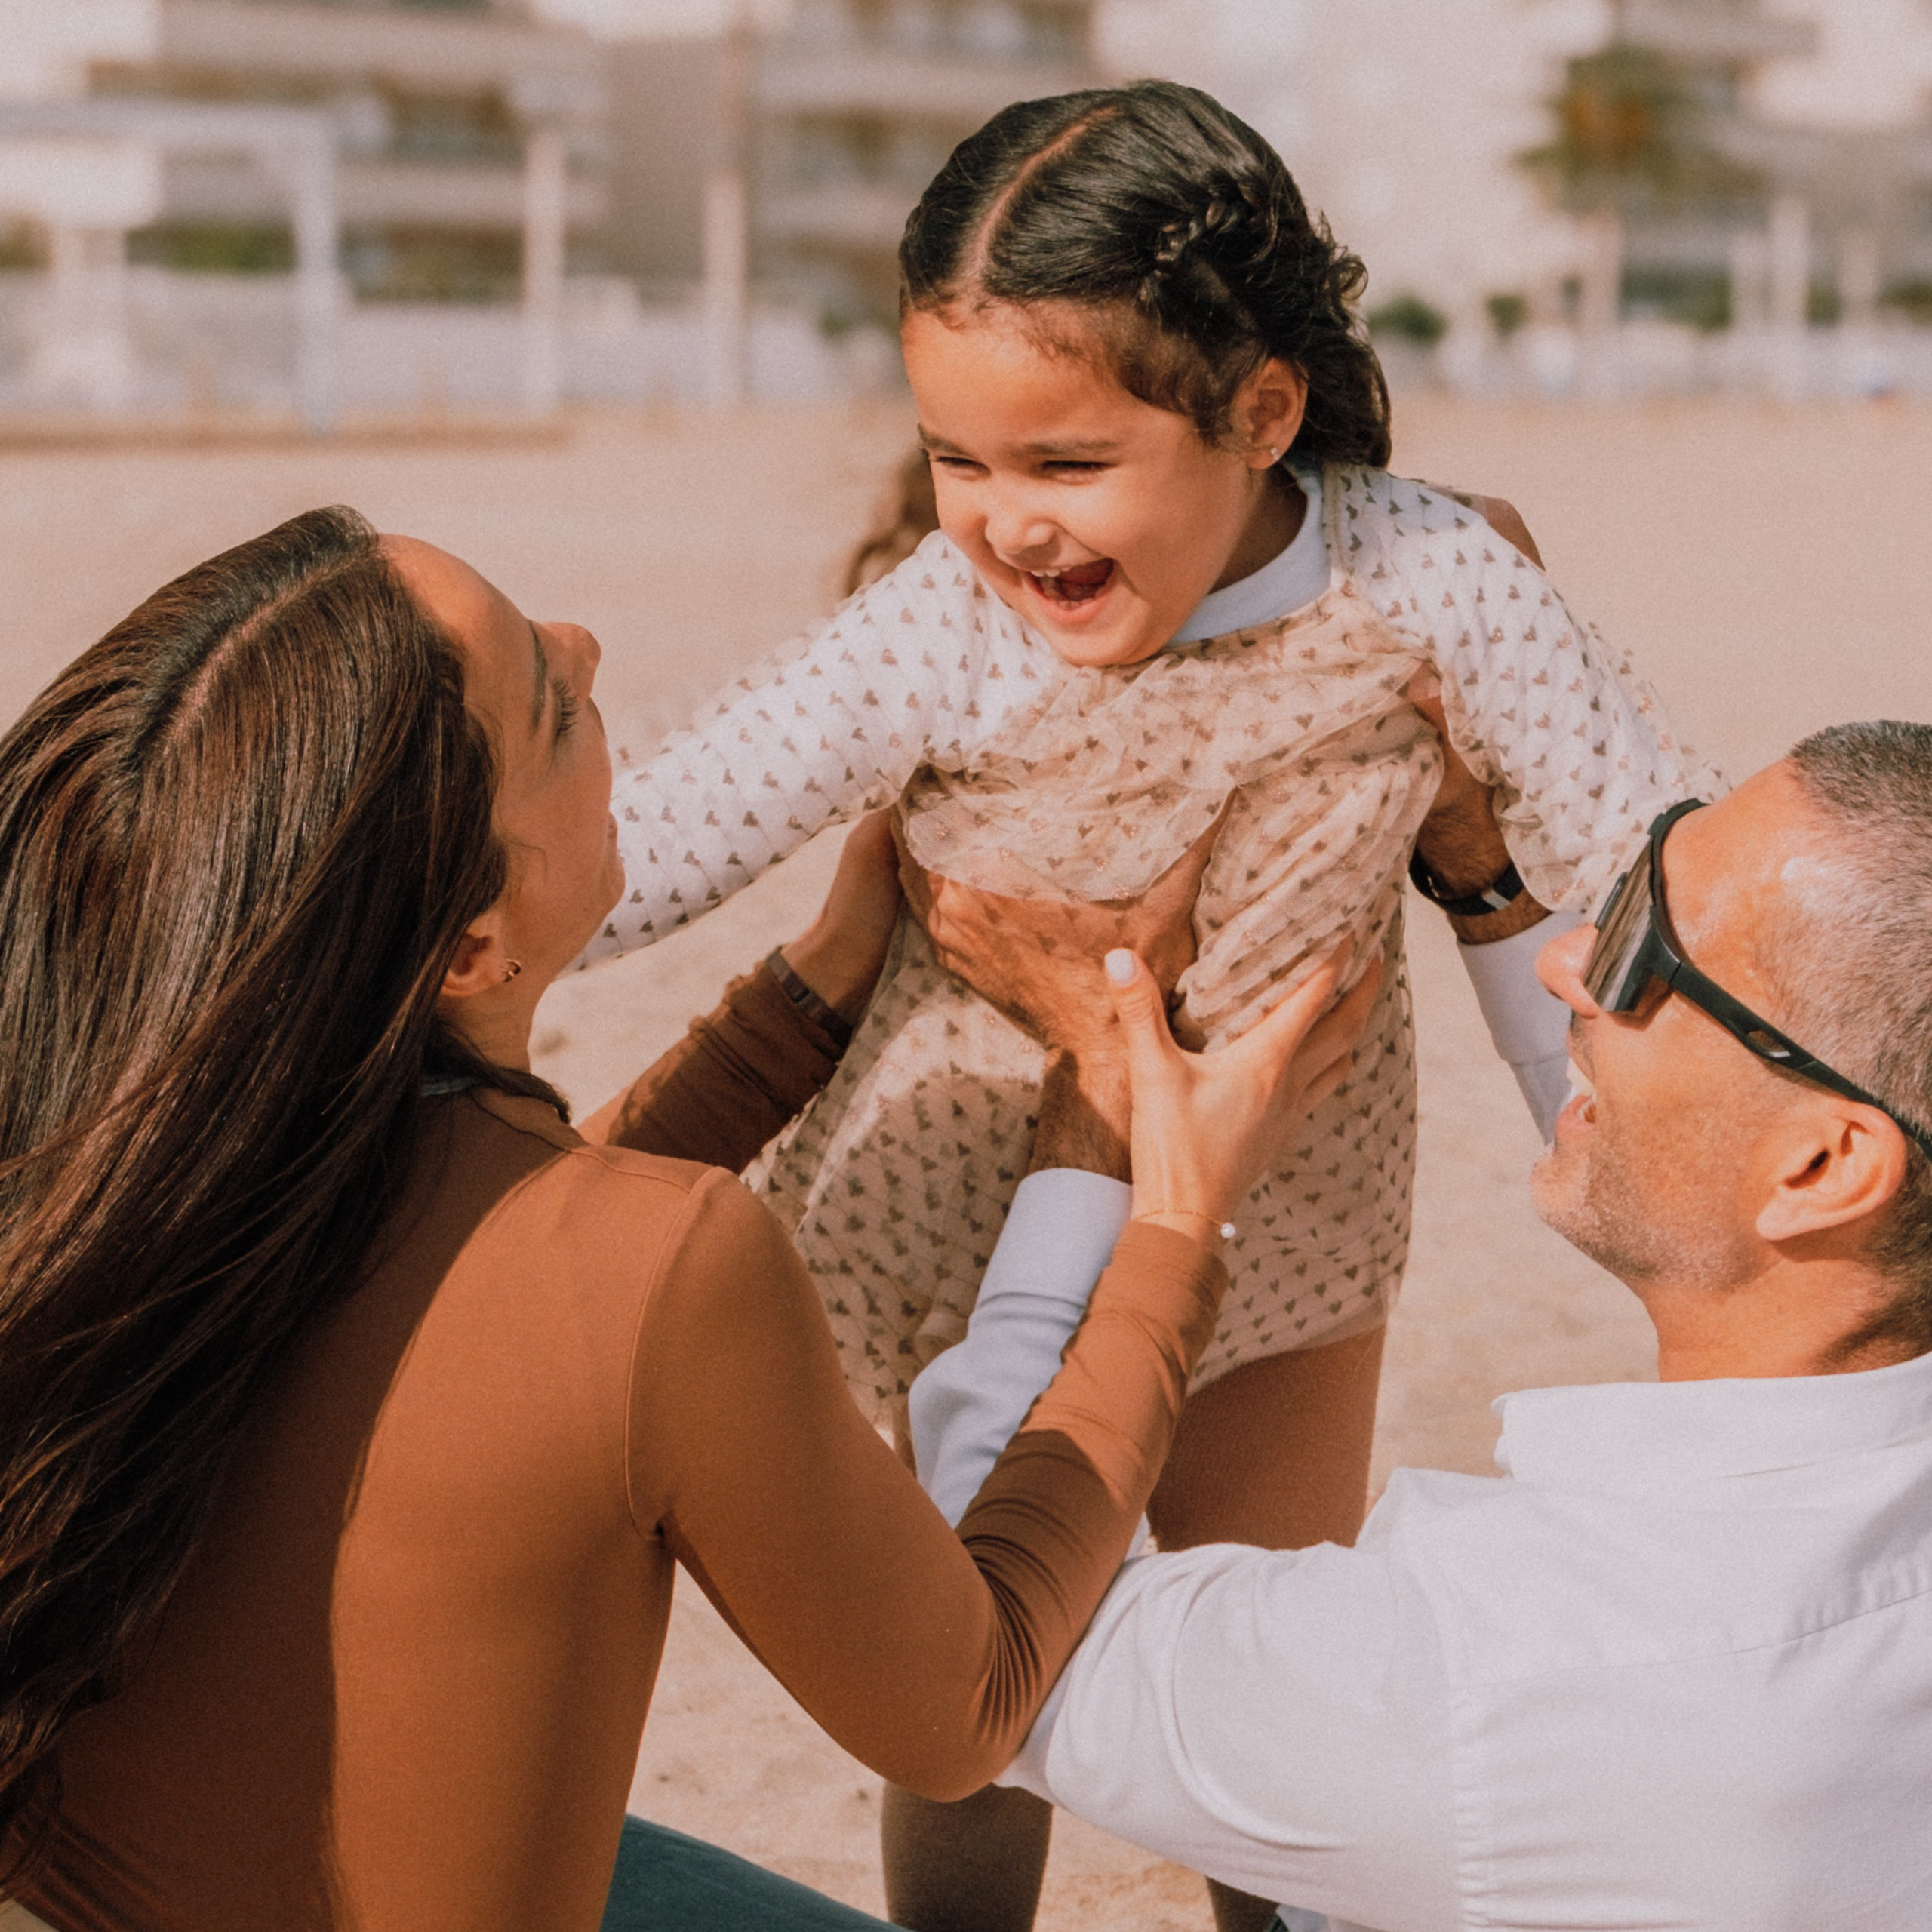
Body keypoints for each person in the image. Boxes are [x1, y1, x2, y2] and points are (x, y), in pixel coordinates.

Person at [580, 78, 1705, 1931]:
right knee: (976, 1695)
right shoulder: (934, 624)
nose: (1003, 527)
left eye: (1064, 464)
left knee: (1271, 1675)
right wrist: (376, 932)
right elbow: (661, 839)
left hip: (1292, 1195)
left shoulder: (1426, 576)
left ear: (1258, 410)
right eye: (960, 461)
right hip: (965, 1218)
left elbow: (1647, 846)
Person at [0, 508, 1381, 1932]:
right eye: (554, 702)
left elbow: (493, 1313)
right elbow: (964, 1700)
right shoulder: (666, 1269)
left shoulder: (122, 1178)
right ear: (474, 941)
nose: (585, 641)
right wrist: (1159, 1202)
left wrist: (806, 996)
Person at [909, 721, 1932, 1931]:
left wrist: (1115, 1138)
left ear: (1825, 1166)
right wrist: (1488, 887)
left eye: (1646, 950)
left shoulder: (1500, 1677)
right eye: (1641, 873)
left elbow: (975, 1650)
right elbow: (1722, 1171)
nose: (1571, 967)